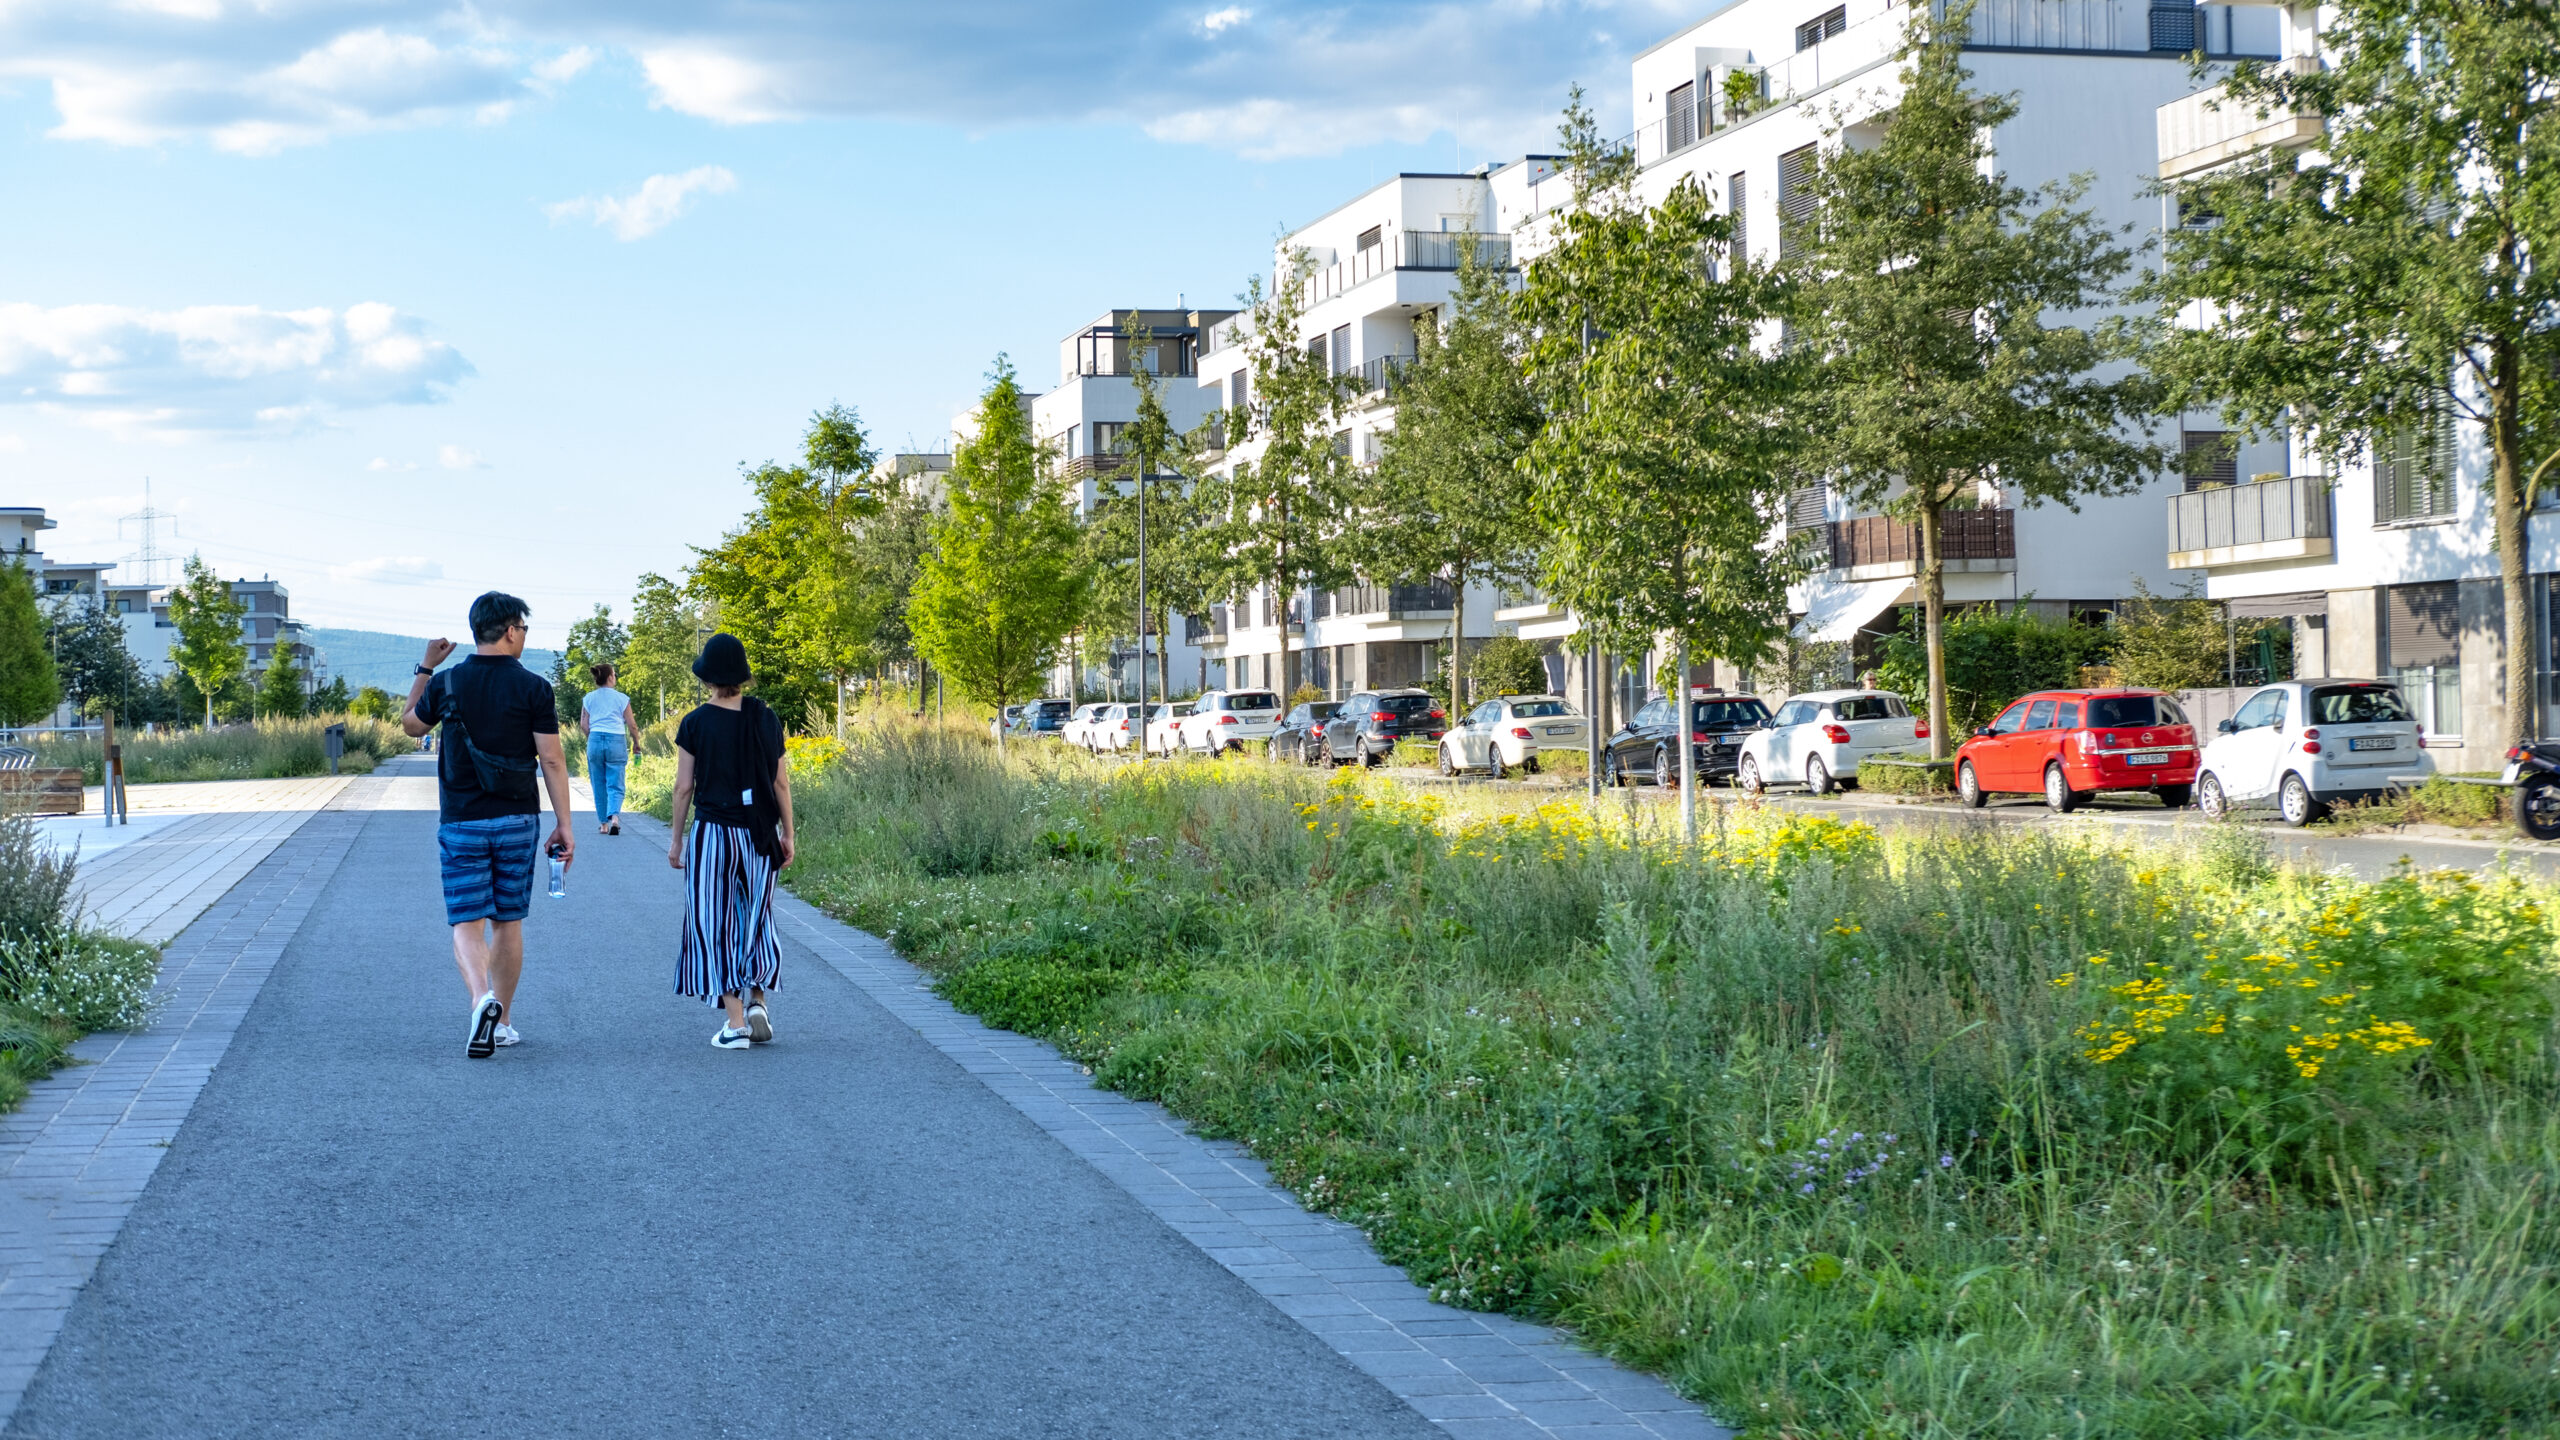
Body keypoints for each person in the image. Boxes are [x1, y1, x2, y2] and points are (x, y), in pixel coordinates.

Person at [400, 592, 575, 1059]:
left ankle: (482, 999)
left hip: (462, 820)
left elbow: (411, 727)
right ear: (511, 630)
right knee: (508, 922)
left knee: (466, 921)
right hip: (517, 819)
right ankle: (504, 1023)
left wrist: (426, 667)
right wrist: (564, 824)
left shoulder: (447, 683)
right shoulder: (534, 687)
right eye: (524, 629)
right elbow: (552, 760)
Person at [666, 634, 794, 1050]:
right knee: (756, 916)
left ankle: (735, 1023)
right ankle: (758, 999)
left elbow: (684, 788)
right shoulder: (765, 718)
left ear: (707, 678)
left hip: (712, 834)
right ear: (742, 676)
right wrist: (788, 833)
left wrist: (676, 841)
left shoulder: (695, 723)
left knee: (712, 922)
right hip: (759, 834)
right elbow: (780, 783)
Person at [579, 663, 638, 835]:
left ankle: (603, 824)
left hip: (595, 739)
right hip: (616, 741)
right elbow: (632, 725)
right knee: (615, 783)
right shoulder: (622, 698)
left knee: (598, 783)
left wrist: (592, 739)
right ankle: (615, 819)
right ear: (610, 677)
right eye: (614, 674)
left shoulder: (589, 698)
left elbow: (584, 724)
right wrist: (636, 743)